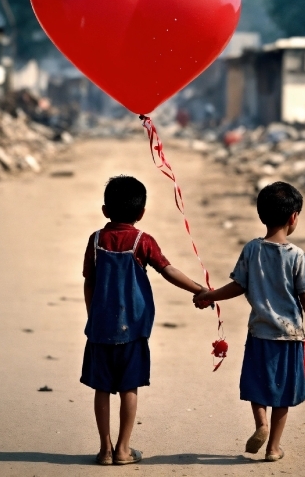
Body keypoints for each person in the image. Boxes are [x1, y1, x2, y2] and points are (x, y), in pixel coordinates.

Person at [193, 181, 305, 462]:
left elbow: (237, 286)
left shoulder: (252, 250)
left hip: (259, 334)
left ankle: (260, 425)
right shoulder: (296, 256)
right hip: (290, 337)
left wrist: (210, 295)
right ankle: (273, 447)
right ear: (293, 218)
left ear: (261, 215)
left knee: (258, 385)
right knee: (283, 395)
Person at [81, 175, 207, 465]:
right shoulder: (142, 241)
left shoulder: (96, 239)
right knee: (129, 388)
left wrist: (93, 315)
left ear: (104, 210)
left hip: (100, 328)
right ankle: (123, 450)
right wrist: (200, 290)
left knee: (101, 388)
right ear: (141, 213)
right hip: (133, 329)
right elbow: (167, 270)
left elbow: (89, 281)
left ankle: (104, 450)